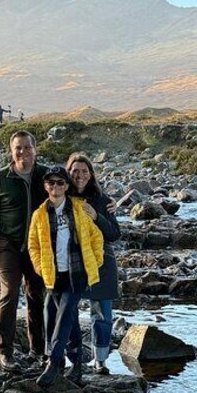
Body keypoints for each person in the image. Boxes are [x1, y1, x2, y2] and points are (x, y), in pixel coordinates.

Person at [0, 131, 49, 372]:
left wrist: (104, 204)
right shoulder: (1, 178)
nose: (23, 152)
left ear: (35, 149)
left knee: (36, 295)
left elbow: (76, 192)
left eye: (27, 147)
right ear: (11, 151)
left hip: (38, 247)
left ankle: (38, 351)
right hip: (8, 245)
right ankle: (4, 352)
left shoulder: (45, 176)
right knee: (9, 293)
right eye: (18, 148)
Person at [28, 165, 104, 387]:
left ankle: (53, 361)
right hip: (53, 274)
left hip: (78, 272)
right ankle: (77, 365)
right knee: (62, 317)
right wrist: (40, 268)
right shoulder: (39, 214)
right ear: (46, 186)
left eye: (60, 182)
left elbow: (96, 237)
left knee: (64, 313)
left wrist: (95, 261)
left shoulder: (80, 208)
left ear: (67, 186)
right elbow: (33, 245)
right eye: (51, 183)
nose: (55, 186)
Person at [67, 153, 120, 374]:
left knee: (102, 313)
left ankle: (100, 360)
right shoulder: (59, 196)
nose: (79, 176)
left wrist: (96, 215)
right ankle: (75, 358)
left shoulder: (104, 200)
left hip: (102, 261)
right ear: (68, 172)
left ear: (91, 175)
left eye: (84, 171)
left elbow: (114, 234)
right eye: (75, 171)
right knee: (69, 311)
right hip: (72, 261)